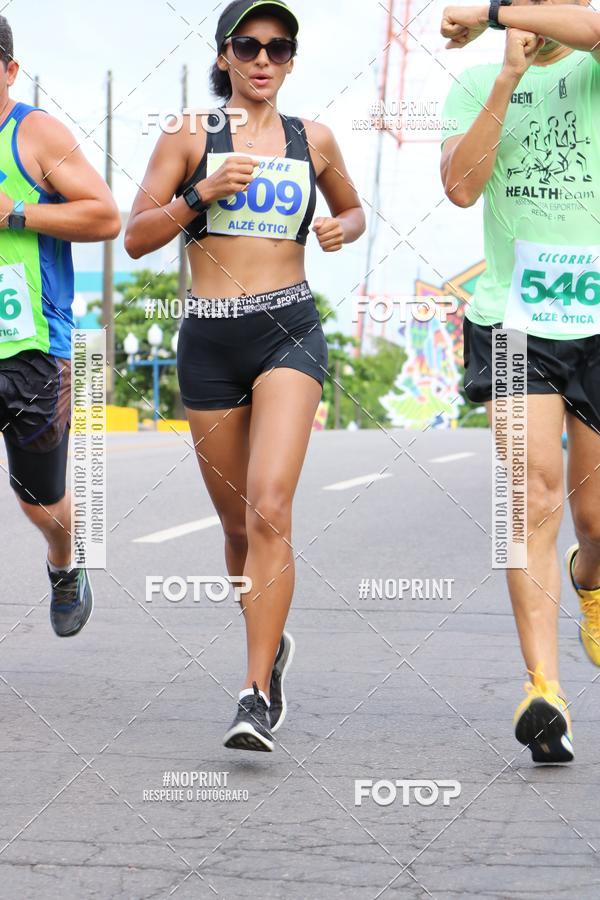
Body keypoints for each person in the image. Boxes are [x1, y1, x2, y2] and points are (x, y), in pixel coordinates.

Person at [125, 0, 365, 752]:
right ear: (226, 54)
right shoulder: (188, 136)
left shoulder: (312, 138)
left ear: (292, 60)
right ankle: (272, 643)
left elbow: (356, 211)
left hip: (289, 328)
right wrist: (200, 193)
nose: (265, 60)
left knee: (269, 509)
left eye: (280, 47)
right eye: (250, 45)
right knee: (236, 528)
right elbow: (134, 236)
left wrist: (338, 228)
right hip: (209, 340)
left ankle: (254, 691)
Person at [440, 0, 600, 762]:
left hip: (597, 322)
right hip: (512, 318)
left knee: (595, 517)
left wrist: (496, 10)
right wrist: (505, 73)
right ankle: (546, 691)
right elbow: (462, 188)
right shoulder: (476, 81)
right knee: (530, 497)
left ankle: (589, 579)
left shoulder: (595, 65)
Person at [0, 16, 121, 636]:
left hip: (31, 351)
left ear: (10, 70)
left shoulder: (35, 134)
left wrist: (16, 212)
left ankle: (64, 561)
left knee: (41, 503)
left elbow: (106, 216)